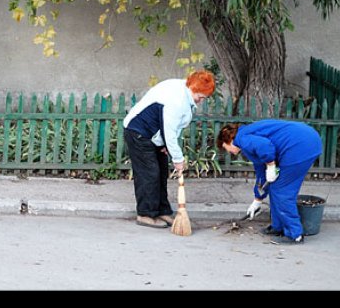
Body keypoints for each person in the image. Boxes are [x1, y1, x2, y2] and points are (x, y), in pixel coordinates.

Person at [123, 70, 215, 228]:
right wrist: (178, 160)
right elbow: (170, 131)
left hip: (154, 135)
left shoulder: (184, 92)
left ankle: (162, 211)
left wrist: (165, 146)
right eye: (201, 96)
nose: (201, 100)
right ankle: (145, 214)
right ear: (193, 88)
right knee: (149, 174)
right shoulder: (177, 100)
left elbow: (173, 126)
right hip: (138, 132)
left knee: (161, 172)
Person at [216, 119, 323, 245]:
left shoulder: (242, 139)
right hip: (304, 140)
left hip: (300, 146)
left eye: (226, 148)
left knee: (282, 192)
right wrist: (257, 200)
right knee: (275, 188)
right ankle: (277, 227)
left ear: (228, 140)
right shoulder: (246, 138)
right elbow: (261, 173)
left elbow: (264, 146)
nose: (229, 152)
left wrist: (271, 165)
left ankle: (295, 234)